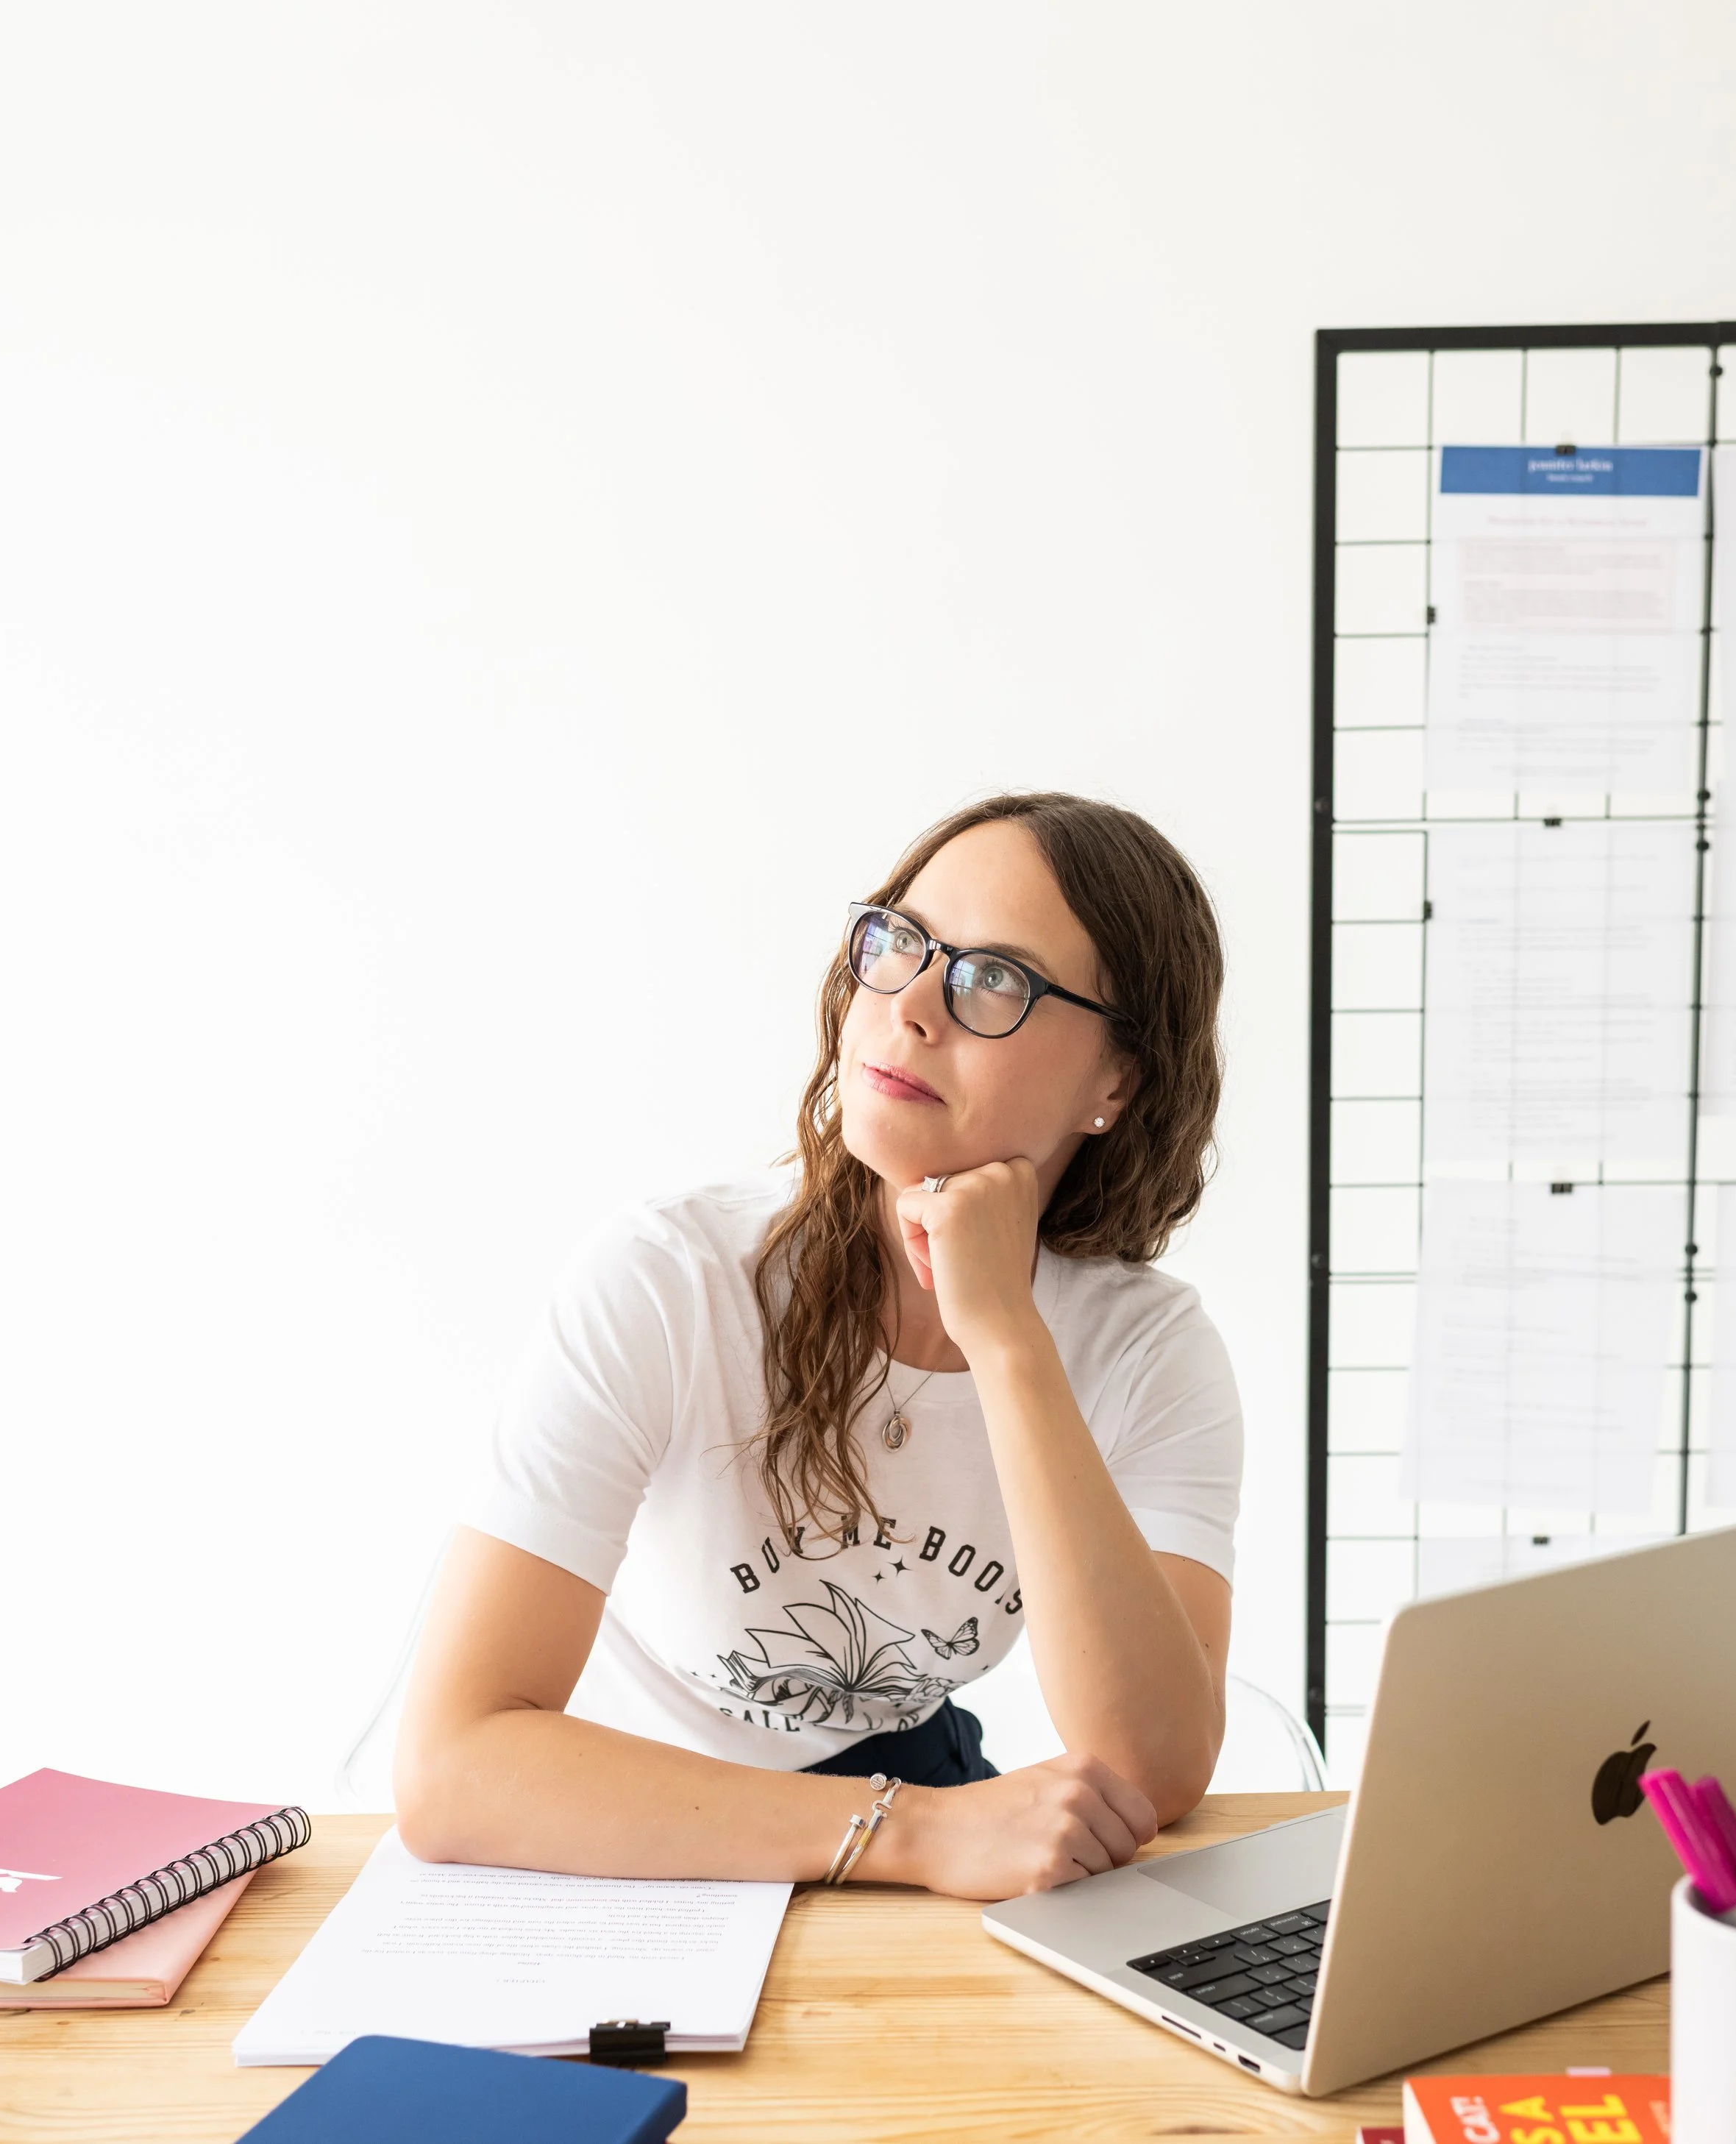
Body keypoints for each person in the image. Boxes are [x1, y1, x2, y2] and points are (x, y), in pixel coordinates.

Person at [395, 791, 1242, 1901]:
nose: (914, 1005)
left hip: (906, 1813)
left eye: (997, 977)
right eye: (902, 942)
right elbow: (455, 1768)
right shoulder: (671, 1279)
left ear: (1116, 1082)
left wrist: (1006, 1338)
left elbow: (1151, 1765)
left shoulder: (1146, 1349)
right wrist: (917, 1835)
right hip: (608, 1822)